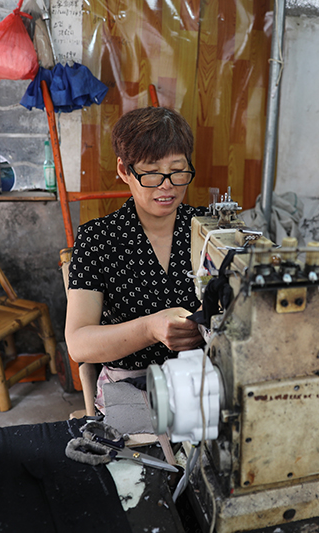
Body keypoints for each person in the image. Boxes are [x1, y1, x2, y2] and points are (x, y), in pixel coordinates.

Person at [64, 106, 205, 414]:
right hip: (131, 385)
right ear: (124, 170)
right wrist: (150, 328)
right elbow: (78, 343)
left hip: (203, 378)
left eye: (178, 170)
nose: (167, 185)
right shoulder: (98, 239)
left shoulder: (208, 230)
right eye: (151, 172)